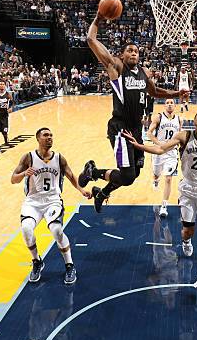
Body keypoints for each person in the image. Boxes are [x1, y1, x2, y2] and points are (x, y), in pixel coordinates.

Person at [80, 12, 189, 213]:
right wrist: (98, 18)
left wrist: (177, 93)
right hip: (120, 127)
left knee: (136, 172)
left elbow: (155, 92)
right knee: (128, 176)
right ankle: (93, 172)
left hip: (136, 127)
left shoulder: (144, 73)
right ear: (122, 54)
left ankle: (101, 192)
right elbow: (90, 39)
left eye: (136, 52)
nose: (133, 54)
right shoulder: (116, 66)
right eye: (129, 50)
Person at [123, 111, 197, 294]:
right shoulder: (184, 136)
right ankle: (186, 241)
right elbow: (160, 149)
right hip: (188, 191)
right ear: (195, 121)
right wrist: (138, 146)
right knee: (187, 231)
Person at [11, 127, 92, 284]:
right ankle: (37, 261)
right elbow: (13, 179)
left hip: (53, 200)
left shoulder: (59, 158)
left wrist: (81, 190)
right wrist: (23, 174)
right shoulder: (28, 157)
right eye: (45, 135)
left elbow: (70, 175)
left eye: (51, 135)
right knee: (26, 229)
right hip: (32, 201)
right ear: (38, 139)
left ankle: (69, 265)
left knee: (56, 230)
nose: (49, 138)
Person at [147, 99, 183, 217]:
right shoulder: (158, 117)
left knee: (168, 178)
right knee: (157, 174)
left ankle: (164, 206)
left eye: (171, 103)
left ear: (175, 105)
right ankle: (156, 179)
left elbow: (180, 135)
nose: (169, 104)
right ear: (164, 106)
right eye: (167, 103)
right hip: (159, 151)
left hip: (172, 152)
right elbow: (149, 133)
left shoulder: (179, 119)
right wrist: (159, 143)